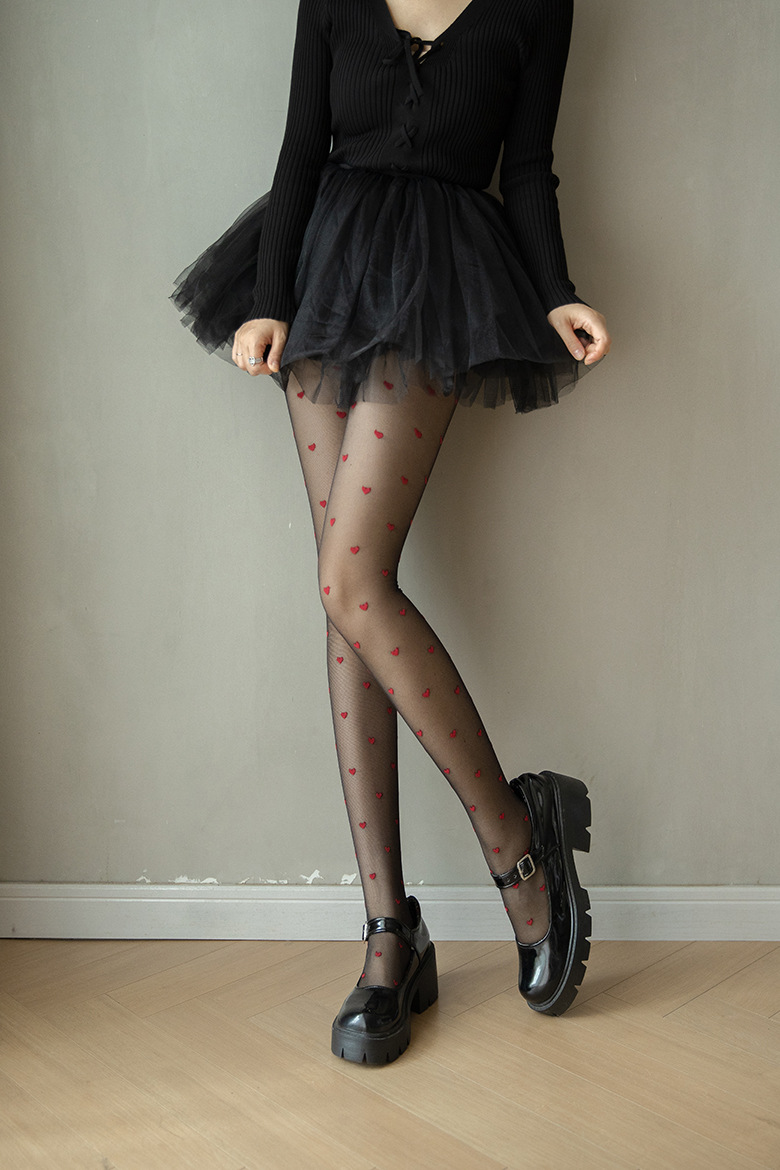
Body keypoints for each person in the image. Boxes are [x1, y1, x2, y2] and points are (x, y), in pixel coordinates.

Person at [172, 0, 611, 1066]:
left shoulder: (535, 6)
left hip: (444, 270)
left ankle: (519, 849)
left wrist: (556, 291)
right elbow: (299, 150)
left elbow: (527, 166)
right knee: (344, 589)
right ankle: (389, 935)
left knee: (350, 578)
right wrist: (267, 297)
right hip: (322, 265)